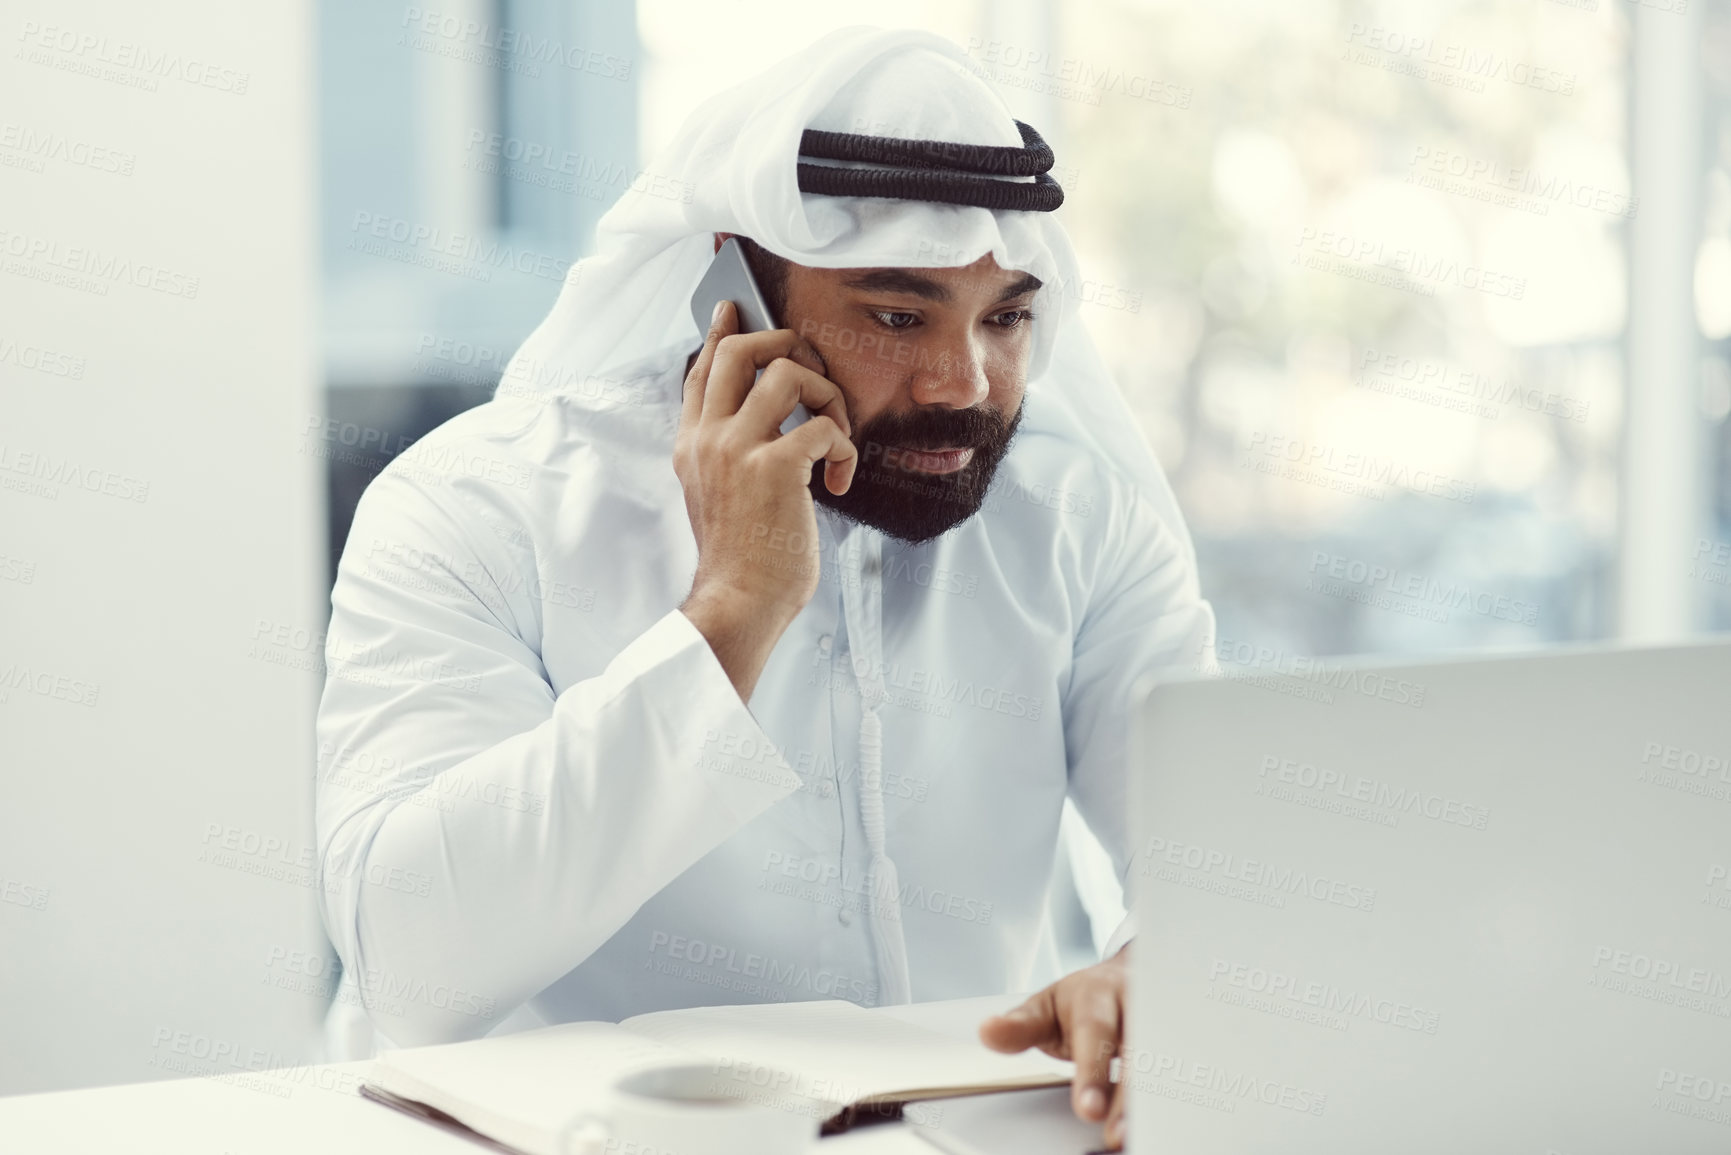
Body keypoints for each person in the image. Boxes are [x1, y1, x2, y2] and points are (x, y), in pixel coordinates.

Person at [314, 24, 1214, 1151]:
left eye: (1007, 317)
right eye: (898, 316)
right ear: (738, 291)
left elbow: (1211, 864)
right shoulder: (473, 506)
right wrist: (732, 614)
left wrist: (1158, 976)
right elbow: (415, 967)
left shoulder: (1082, 515)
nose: (963, 380)